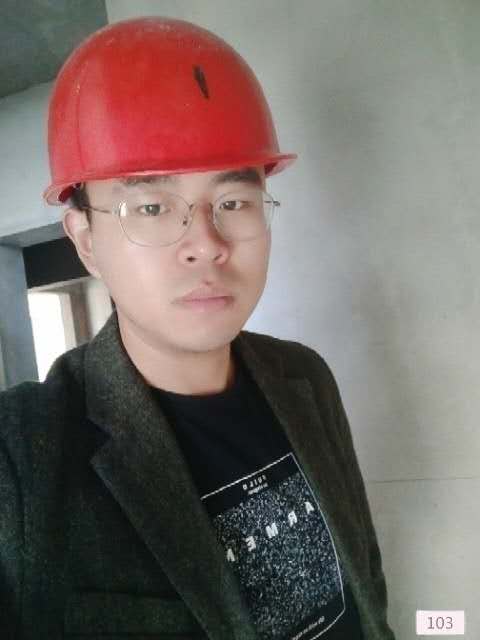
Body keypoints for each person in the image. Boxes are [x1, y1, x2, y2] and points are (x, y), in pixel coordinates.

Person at [0, 16, 395, 640]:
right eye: (151, 207)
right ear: (87, 241)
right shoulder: (22, 460)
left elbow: (366, 582)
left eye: (233, 202)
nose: (206, 243)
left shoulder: (307, 378)